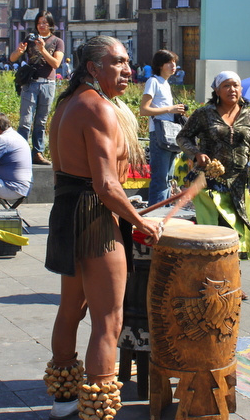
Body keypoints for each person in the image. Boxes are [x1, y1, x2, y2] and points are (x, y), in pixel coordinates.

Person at [43, 35, 161, 419]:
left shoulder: (65, 105)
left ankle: (63, 400)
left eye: (128, 62)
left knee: (70, 310)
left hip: (66, 211)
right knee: (108, 320)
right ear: (94, 68)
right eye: (118, 62)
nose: (128, 70)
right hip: (93, 216)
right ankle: (97, 408)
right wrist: (141, 221)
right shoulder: (98, 108)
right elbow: (107, 185)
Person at [176, 71, 250, 262]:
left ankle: (232, 281)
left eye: (236, 85)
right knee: (212, 233)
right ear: (217, 90)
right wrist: (196, 154)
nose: (232, 90)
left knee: (236, 232)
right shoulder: (204, 113)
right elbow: (183, 137)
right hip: (208, 182)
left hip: (238, 183)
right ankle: (212, 280)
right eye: (226, 86)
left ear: (241, 89)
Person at [9, 10, 65, 166]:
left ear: (50, 25)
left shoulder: (57, 41)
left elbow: (56, 64)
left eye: (45, 23)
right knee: (25, 120)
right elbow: (12, 58)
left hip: (48, 84)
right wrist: (18, 52)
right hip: (30, 83)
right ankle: (20, 153)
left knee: (41, 121)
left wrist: (43, 50)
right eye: (39, 22)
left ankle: (37, 153)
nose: (41, 25)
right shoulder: (30, 39)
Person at [139, 49, 186, 206]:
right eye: (169, 62)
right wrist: (170, 109)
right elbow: (143, 110)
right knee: (160, 178)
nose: (173, 66)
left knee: (167, 178)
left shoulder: (165, 83)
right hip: (159, 134)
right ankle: (155, 216)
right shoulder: (153, 81)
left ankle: (162, 214)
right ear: (160, 65)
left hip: (169, 134)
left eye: (174, 62)